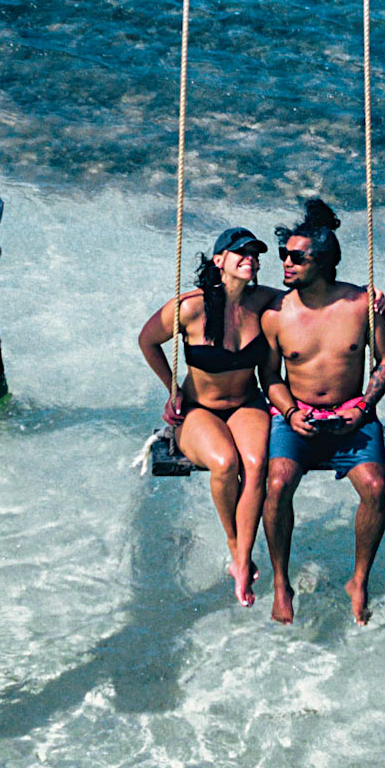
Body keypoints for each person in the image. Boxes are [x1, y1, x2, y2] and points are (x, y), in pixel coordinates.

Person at [260, 198, 385, 626]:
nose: (285, 263)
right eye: (284, 255)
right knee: (278, 482)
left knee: (375, 487)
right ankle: (281, 581)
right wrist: (288, 411)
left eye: (295, 257)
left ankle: (358, 580)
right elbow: (270, 378)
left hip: (351, 416)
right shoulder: (276, 314)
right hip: (294, 416)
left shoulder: (362, 306)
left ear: (323, 262)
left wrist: (364, 406)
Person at [137, 227, 275, 606]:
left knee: (257, 463)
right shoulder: (190, 306)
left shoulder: (265, 301)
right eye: (241, 252)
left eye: (255, 253)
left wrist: (367, 299)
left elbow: (316, 301)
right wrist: (172, 389)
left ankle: (242, 561)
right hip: (199, 410)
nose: (251, 258)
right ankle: (235, 546)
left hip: (247, 404)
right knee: (225, 462)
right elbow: (147, 340)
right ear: (220, 261)